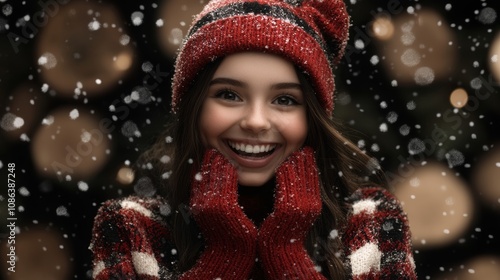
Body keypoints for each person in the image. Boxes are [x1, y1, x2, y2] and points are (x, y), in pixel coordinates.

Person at [90, 0, 417, 279]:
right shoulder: (132, 227)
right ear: (195, 108)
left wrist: (286, 253)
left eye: (285, 100)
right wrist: (224, 255)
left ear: (310, 118)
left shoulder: (371, 221)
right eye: (229, 95)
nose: (256, 122)